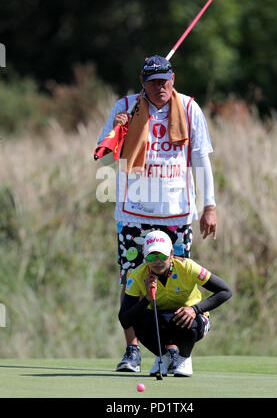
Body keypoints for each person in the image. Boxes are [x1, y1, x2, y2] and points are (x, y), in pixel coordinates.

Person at [96, 55, 217, 372]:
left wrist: (210, 205)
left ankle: (177, 350)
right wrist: (119, 134)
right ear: (142, 82)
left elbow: (201, 160)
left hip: (176, 213)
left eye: (164, 80)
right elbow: (104, 156)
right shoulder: (126, 106)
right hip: (133, 212)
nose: (160, 87)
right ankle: (132, 351)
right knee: (131, 281)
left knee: (177, 281)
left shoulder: (189, 109)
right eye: (153, 81)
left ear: (173, 79)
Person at [118, 230, 232, 376]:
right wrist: (146, 298)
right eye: (152, 256)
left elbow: (225, 291)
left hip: (194, 320)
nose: (157, 261)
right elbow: (125, 319)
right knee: (139, 318)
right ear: (145, 257)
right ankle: (164, 357)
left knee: (186, 317)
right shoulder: (136, 275)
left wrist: (194, 309)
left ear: (171, 254)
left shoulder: (188, 267)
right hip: (162, 321)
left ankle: (184, 358)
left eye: (163, 255)